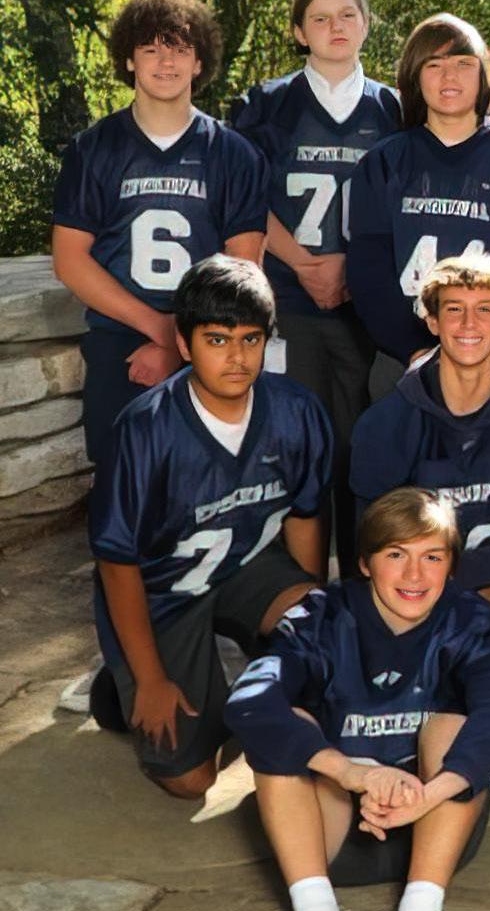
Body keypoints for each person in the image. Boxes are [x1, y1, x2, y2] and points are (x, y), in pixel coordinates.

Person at [225, 487, 490, 911]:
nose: (414, 574)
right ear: (364, 562)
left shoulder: (470, 619)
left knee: (454, 724)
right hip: (334, 830)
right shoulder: (320, 616)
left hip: (436, 828)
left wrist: (428, 794)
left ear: (451, 564)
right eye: (396, 554)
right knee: (282, 726)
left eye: (432, 556)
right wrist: (347, 771)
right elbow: (249, 700)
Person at [87, 255, 329, 799]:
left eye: (250, 340)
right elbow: (117, 562)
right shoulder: (144, 430)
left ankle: (248, 681)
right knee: (191, 781)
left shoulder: (297, 412)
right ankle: (121, 684)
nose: (237, 358)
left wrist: (306, 629)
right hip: (163, 591)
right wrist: (151, 680)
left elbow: (306, 517)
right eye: (217, 340)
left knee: (327, 637)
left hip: (246, 565)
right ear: (184, 340)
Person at [228, 0, 402, 570]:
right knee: (291, 448)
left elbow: (408, 203)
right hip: (288, 300)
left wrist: (351, 265)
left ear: (366, 25)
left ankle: (359, 584)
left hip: (366, 306)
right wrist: (304, 265)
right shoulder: (266, 104)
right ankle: (295, 590)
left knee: (361, 450)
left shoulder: (395, 107)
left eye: (347, 15)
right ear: (299, 32)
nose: (335, 27)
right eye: (320, 18)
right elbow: (244, 198)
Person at [52, 0, 267, 468]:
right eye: (150, 49)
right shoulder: (93, 149)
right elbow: (69, 260)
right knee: (121, 485)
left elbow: (244, 268)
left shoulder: (235, 154)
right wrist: (161, 330)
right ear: (129, 60)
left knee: (208, 483)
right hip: (121, 343)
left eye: (180, 49)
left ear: (199, 62)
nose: (166, 62)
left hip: (214, 341)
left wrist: (185, 341)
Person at [349, 252, 490, 644]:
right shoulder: (385, 422)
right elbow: (375, 538)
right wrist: (430, 580)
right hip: (415, 583)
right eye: (454, 309)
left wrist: (461, 578)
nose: (469, 324)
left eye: (484, 310)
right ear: (432, 321)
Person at [343, 14, 490, 372]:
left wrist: (478, 342)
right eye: (434, 64)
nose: (449, 76)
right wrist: (413, 349)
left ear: (484, 74)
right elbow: (369, 270)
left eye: (463, 64)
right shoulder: (383, 163)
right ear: (414, 75)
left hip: (489, 356)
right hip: (401, 358)